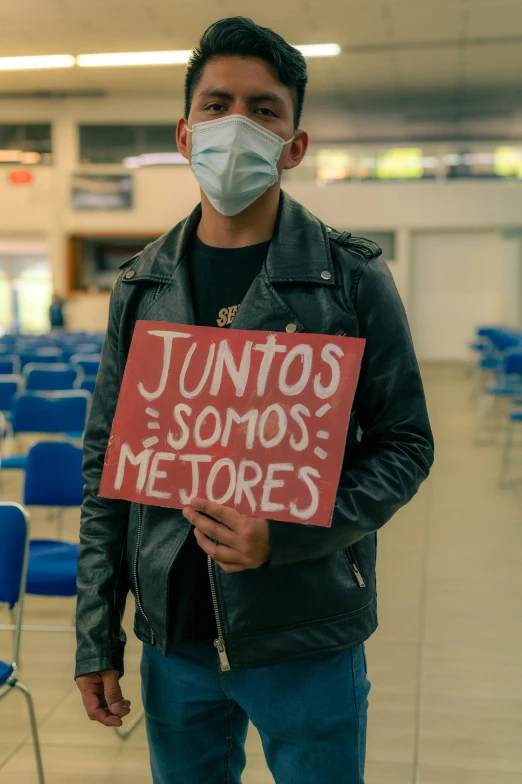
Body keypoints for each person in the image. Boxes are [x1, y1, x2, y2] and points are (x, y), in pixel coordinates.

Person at [75, 17, 434, 784]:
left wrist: (294, 531)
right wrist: (97, 639)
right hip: (175, 646)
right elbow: (108, 467)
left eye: (264, 109)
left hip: (304, 633)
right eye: (216, 105)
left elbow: (406, 443)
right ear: (183, 132)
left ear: (294, 144)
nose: (236, 124)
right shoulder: (141, 286)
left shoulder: (351, 280)